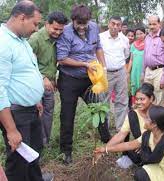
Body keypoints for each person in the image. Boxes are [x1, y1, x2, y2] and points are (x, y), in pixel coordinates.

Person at [0, 1, 52, 180]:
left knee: (34, 153)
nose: (37, 29)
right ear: (22, 18)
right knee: (19, 161)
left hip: (30, 109)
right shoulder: (3, 43)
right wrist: (11, 130)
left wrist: (36, 98)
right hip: (16, 114)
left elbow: (27, 72)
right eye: (35, 23)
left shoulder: (22, 41)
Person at [56, 4, 110, 165]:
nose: (81, 27)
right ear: (73, 20)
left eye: (84, 24)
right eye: (78, 24)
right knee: (67, 115)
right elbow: (62, 58)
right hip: (69, 79)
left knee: (98, 108)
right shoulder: (65, 32)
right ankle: (66, 151)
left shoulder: (94, 27)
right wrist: (84, 64)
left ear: (89, 21)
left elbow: (98, 47)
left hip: (89, 79)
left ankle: (107, 140)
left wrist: (104, 67)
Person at [94, 105, 164, 181]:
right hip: (159, 169)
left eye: (147, 118)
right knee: (140, 174)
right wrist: (105, 149)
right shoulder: (148, 135)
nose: (144, 119)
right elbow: (128, 145)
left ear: (154, 124)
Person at [28, 11, 68, 146]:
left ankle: (45, 142)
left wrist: (52, 79)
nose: (57, 32)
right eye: (55, 29)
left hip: (50, 84)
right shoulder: (35, 39)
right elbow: (26, 64)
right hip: (35, 84)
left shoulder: (58, 39)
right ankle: (37, 143)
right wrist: (43, 77)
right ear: (46, 24)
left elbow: (52, 63)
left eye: (60, 30)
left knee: (48, 113)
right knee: (37, 113)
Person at [102, 83, 154, 168]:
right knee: (131, 149)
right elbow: (121, 135)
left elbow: (163, 137)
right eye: (137, 99)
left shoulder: (158, 113)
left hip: (155, 147)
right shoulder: (133, 114)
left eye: (142, 99)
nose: (139, 102)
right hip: (139, 145)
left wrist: (144, 144)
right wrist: (105, 149)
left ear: (151, 98)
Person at [99, 16, 130, 130]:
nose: (115, 27)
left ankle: (121, 128)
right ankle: (104, 129)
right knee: (103, 101)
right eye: (113, 23)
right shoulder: (100, 38)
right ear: (108, 24)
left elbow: (126, 55)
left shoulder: (124, 39)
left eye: (118, 25)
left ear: (121, 27)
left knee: (122, 101)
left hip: (120, 72)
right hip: (105, 73)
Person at [142, 15, 164, 105]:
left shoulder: (163, 37)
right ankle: (148, 117)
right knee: (147, 95)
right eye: (150, 24)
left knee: (158, 97)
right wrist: (143, 72)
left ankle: (156, 118)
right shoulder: (147, 37)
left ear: (159, 24)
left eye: (154, 24)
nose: (151, 26)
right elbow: (145, 55)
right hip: (148, 71)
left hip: (159, 71)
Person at [127, 27, 146, 99]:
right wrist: (128, 72)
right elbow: (131, 60)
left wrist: (143, 72)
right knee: (134, 88)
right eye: (137, 34)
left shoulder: (147, 45)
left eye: (141, 33)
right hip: (134, 71)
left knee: (142, 89)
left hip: (143, 71)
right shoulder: (133, 45)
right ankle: (134, 106)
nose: (139, 36)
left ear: (145, 34)